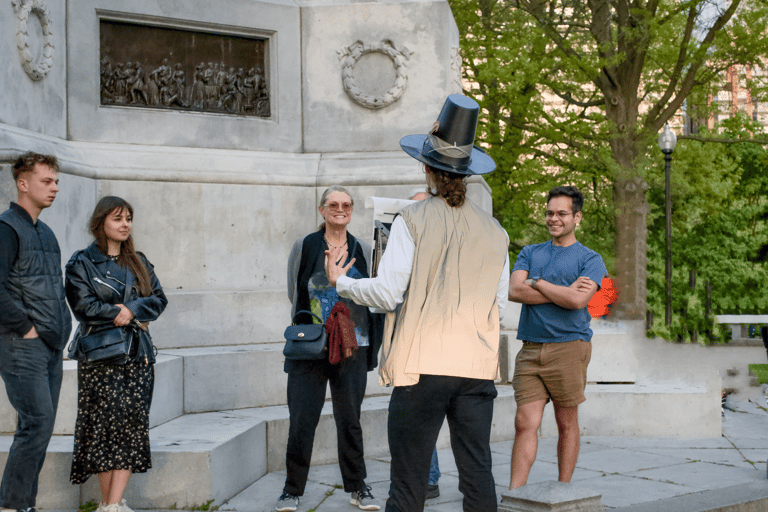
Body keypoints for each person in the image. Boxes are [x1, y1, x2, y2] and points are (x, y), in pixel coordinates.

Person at [325, 94, 510, 512]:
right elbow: (498, 302)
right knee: (478, 475)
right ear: (465, 172)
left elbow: (388, 294)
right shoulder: (496, 231)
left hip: (422, 366)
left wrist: (343, 283)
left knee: (407, 484)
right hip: (477, 367)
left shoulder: (411, 220)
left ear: (427, 168)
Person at [276, 186, 383, 512]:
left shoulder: (362, 247)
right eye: (333, 204)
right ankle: (292, 491)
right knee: (301, 420)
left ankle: (358, 487)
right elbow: (294, 290)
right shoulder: (305, 245)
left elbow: (373, 291)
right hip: (311, 345)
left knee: (350, 419)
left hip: (354, 345)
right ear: (322, 210)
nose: (340, 209)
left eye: (346, 205)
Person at [65, 196, 168, 512]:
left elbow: (159, 299)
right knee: (101, 429)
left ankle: (112, 504)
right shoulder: (80, 263)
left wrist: (131, 309)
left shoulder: (139, 261)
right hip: (99, 358)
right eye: (118, 219)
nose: (125, 225)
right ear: (101, 223)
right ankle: (109, 504)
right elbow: (84, 307)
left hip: (136, 356)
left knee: (130, 426)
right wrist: (120, 313)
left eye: (129, 219)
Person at [508, 186, 607, 489]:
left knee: (566, 423)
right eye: (550, 212)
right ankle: (515, 494)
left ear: (577, 217)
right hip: (530, 349)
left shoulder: (591, 259)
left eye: (562, 213)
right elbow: (514, 291)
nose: (554, 218)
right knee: (525, 423)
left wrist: (536, 282)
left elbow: (579, 302)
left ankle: (563, 491)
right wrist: (562, 291)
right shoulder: (530, 251)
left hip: (569, 348)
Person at [0, 152, 72, 512]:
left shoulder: (45, 231)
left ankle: (23, 504)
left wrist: (63, 329)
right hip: (21, 344)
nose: (55, 188)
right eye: (47, 181)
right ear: (22, 183)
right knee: (36, 423)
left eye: (57, 181)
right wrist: (25, 328)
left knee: (40, 429)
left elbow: (52, 287)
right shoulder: (6, 228)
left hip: (51, 345)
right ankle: (12, 506)